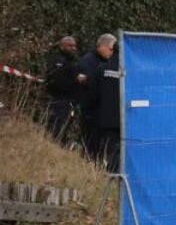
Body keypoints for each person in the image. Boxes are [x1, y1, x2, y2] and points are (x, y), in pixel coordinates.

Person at [74, 34, 121, 170]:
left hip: (102, 119)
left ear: (113, 50)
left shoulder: (101, 69)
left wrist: (86, 109)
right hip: (123, 120)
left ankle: (94, 173)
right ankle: (113, 175)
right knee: (116, 152)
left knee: (97, 150)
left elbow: (92, 94)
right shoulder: (128, 71)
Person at [42, 35, 81, 145]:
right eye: (70, 45)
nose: (73, 48)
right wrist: (75, 81)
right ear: (62, 46)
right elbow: (57, 81)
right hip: (58, 100)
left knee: (65, 127)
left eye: (74, 46)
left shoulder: (71, 61)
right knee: (57, 126)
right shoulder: (57, 60)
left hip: (68, 101)